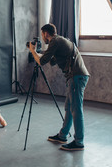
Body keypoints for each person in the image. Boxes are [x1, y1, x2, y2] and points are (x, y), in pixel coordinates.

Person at [28, 23, 90, 151]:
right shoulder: (59, 41)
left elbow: (41, 62)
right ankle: (62, 136)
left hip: (76, 77)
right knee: (69, 107)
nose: (42, 37)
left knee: (76, 109)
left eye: (42, 34)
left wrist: (33, 51)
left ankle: (79, 142)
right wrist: (36, 52)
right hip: (75, 77)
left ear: (46, 33)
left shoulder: (55, 41)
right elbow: (48, 59)